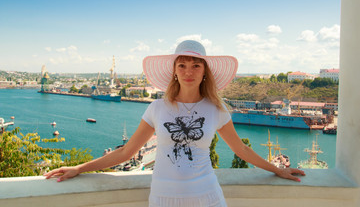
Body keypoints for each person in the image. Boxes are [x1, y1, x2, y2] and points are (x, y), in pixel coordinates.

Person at [45, 40, 305, 207]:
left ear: (204, 71)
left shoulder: (216, 109)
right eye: (182, 65)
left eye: (195, 65)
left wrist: (277, 169)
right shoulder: (157, 108)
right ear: (175, 70)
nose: (188, 71)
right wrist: (79, 168)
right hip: (163, 198)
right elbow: (127, 152)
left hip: (207, 197)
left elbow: (241, 150)